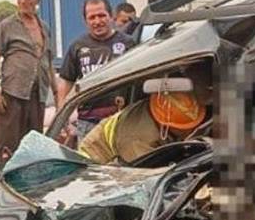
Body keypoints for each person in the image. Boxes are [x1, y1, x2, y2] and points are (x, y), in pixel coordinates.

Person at [77, 66, 210, 164]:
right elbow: (146, 174)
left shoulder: (163, 102)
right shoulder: (137, 138)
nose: (190, 131)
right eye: (184, 129)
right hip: (96, 157)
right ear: (165, 125)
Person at [0, 0, 56, 162]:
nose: (23, 1)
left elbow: (48, 62)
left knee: (33, 143)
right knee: (7, 144)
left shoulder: (44, 27)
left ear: (37, 1)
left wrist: (57, 96)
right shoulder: (7, 25)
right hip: (13, 92)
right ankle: (2, 179)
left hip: (38, 93)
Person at [57, 0, 135, 139]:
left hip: (122, 121)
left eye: (101, 15)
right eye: (92, 17)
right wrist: (61, 116)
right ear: (85, 21)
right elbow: (65, 82)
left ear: (111, 16)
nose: (97, 21)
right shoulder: (78, 47)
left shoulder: (129, 44)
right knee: (88, 162)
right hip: (88, 124)